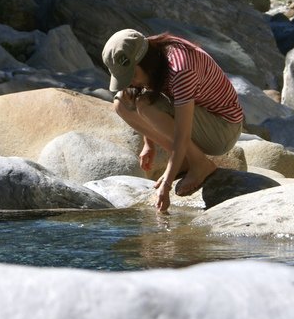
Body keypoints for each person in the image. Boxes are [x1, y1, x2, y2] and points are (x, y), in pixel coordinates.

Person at [102, 29, 244, 212]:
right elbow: (145, 92)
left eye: (131, 76)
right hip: (203, 123)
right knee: (121, 102)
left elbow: (182, 135)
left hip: (223, 128)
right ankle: (185, 161)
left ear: (145, 62)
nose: (130, 83)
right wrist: (149, 144)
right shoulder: (153, 53)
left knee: (146, 105)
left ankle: (200, 164)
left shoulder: (180, 70)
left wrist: (167, 185)